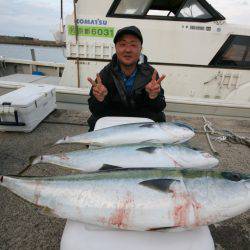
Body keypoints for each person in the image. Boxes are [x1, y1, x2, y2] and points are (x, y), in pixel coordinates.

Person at [87, 26, 166, 131]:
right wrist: (99, 99)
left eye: (133, 45)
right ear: (116, 48)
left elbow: (159, 107)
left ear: (140, 48)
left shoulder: (150, 74)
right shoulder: (105, 74)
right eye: (122, 44)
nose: (128, 50)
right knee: (94, 122)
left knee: (160, 119)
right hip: (114, 122)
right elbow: (95, 110)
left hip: (142, 122)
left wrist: (153, 96)